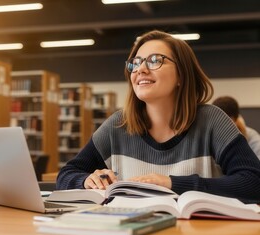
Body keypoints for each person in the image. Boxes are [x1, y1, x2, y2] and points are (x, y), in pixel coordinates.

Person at [56, 30, 260, 203]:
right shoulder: (117, 125)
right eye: (135, 63)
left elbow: (254, 182)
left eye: (155, 61)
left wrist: (172, 184)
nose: (141, 69)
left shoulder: (213, 121)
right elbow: (66, 174)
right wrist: (86, 181)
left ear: (181, 74)